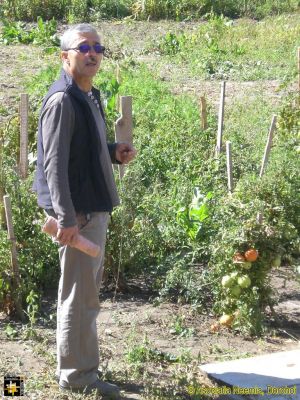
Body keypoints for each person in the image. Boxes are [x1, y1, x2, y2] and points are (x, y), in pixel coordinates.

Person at [33, 23, 136, 398]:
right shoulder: (62, 100)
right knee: (79, 297)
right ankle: (77, 377)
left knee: (86, 294)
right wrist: (66, 221)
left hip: (90, 209)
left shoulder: (87, 95)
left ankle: (81, 369)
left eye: (98, 47)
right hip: (79, 216)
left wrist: (112, 151)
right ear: (65, 56)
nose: (92, 53)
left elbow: (81, 150)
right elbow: (54, 165)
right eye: (82, 47)